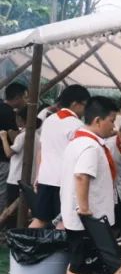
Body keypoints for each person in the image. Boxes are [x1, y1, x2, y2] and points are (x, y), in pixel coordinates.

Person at [56, 96, 119, 274]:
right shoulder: (90, 146)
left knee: (80, 259)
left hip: (81, 215)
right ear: (98, 120)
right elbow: (82, 176)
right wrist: (84, 209)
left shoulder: (79, 141)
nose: (114, 126)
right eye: (112, 120)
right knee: (80, 263)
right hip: (86, 217)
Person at [31, 85, 90, 228]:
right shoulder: (77, 125)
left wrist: (38, 175)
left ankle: (20, 243)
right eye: (85, 105)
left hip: (45, 178)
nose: (86, 110)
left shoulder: (49, 120)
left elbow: (41, 151)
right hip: (64, 182)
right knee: (63, 222)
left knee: (39, 220)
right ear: (75, 104)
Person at [0, 81, 27, 211]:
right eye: (25, 97)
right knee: (2, 193)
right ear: (17, 98)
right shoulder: (9, 113)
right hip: (3, 159)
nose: (26, 101)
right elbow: (14, 137)